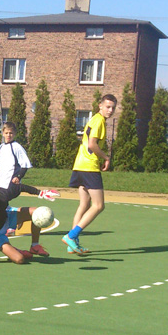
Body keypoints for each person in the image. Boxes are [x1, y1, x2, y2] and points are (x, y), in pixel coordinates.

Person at [62, 94, 117, 255]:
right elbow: (92, 144)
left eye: (113, 108)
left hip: (79, 164)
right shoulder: (99, 121)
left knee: (84, 205)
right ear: (100, 106)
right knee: (98, 205)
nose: (110, 110)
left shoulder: (94, 119)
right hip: (89, 167)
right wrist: (106, 157)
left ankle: (72, 244)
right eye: (107, 107)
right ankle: (71, 236)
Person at [0, 121, 60, 201]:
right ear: (3, 133)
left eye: (11, 133)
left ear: (14, 134)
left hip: (11, 184)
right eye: (6, 133)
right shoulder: (1, 147)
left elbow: (25, 165)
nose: (8, 135)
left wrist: (18, 176)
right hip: (1, 184)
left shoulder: (16, 147)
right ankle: (40, 193)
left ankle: (40, 193)